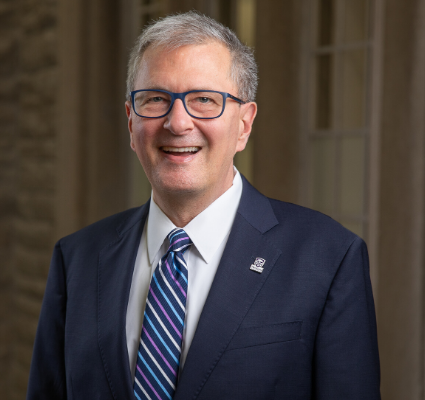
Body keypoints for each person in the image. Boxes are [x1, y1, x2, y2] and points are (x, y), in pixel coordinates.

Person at [27, 11, 380, 400]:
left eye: (205, 100)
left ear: (244, 125)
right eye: (156, 99)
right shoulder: (76, 258)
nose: (177, 122)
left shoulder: (329, 259)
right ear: (131, 123)